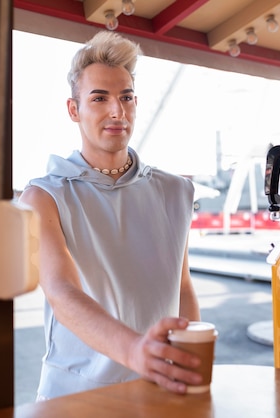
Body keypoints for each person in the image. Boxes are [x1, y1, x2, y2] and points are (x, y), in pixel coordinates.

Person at [19, 30, 202, 400]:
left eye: (126, 97)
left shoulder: (177, 191)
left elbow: (181, 288)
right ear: (74, 109)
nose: (117, 111)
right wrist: (134, 350)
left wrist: (190, 361)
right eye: (99, 98)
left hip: (157, 388)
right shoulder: (43, 196)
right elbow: (61, 291)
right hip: (74, 395)